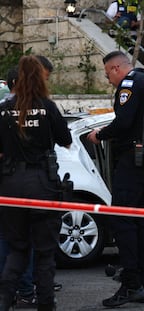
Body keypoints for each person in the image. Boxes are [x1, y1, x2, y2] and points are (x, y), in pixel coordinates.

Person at [87, 51, 144, 307]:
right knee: (141, 224)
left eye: (107, 72)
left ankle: (131, 284)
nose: (108, 77)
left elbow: (123, 122)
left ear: (116, 68)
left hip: (133, 160)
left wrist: (101, 134)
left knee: (123, 221)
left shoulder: (129, 84)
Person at [0, 55, 72, 311]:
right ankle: (45, 304)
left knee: (16, 250)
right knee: (44, 253)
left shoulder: (4, 108)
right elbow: (66, 140)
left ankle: (5, 300)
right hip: (43, 184)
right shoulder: (48, 107)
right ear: (41, 76)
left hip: (10, 186)